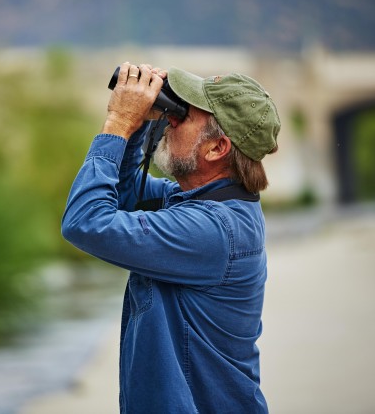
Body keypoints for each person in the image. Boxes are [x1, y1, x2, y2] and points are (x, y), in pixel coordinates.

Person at [61, 62, 280, 413]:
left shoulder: (212, 230)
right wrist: (142, 126)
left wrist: (118, 124)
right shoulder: (204, 202)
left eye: (183, 116)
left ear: (215, 148)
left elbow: (85, 221)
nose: (172, 119)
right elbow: (125, 194)